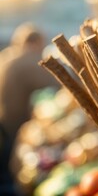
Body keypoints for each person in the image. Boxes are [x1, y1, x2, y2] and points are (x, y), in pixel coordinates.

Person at [0, 23, 59, 195]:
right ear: (35, 42)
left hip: (3, 121)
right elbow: (57, 84)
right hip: (16, 122)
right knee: (15, 171)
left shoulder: (6, 56)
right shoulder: (30, 60)